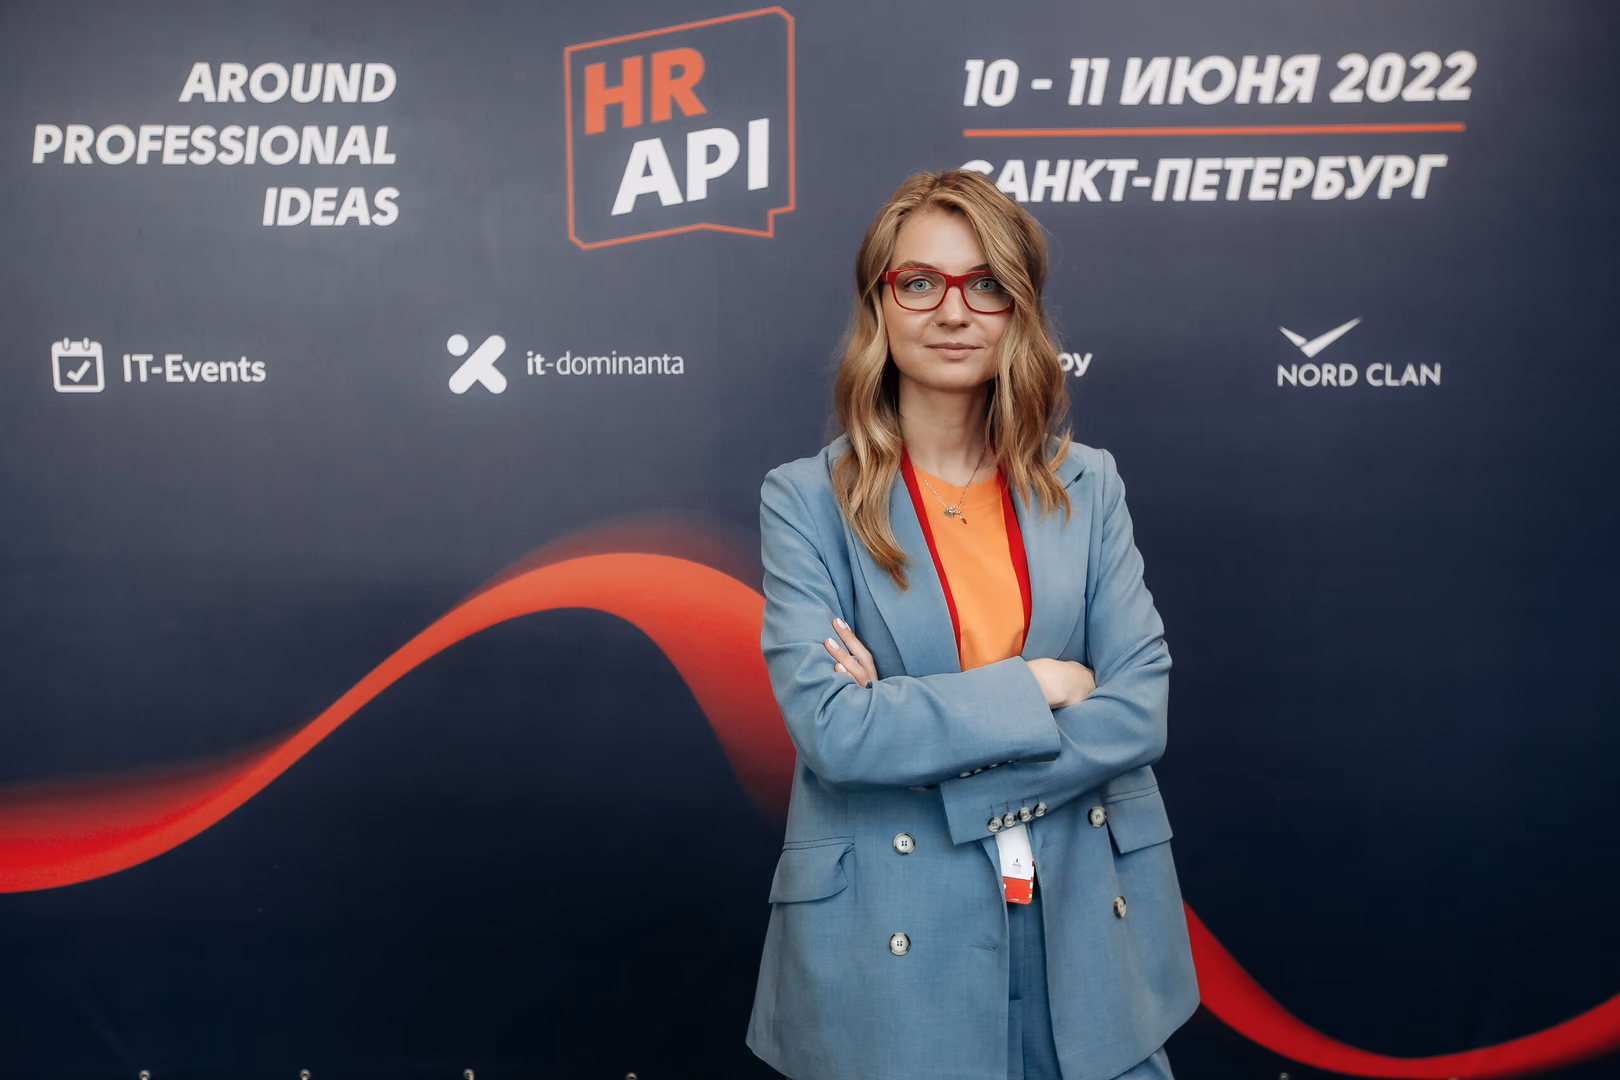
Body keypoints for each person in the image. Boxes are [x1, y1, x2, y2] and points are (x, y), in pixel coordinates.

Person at [745, 170, 1198, 1080]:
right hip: (892, 932)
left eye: (985, 284)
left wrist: (920, 729)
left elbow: (1137, 708)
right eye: (921, 282)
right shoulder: (806, 500)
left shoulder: (1088, 484)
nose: (953, 311)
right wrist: (1038, 685)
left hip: (1085, 922)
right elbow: (837, 730)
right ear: (880, 304)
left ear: (1018, 308)